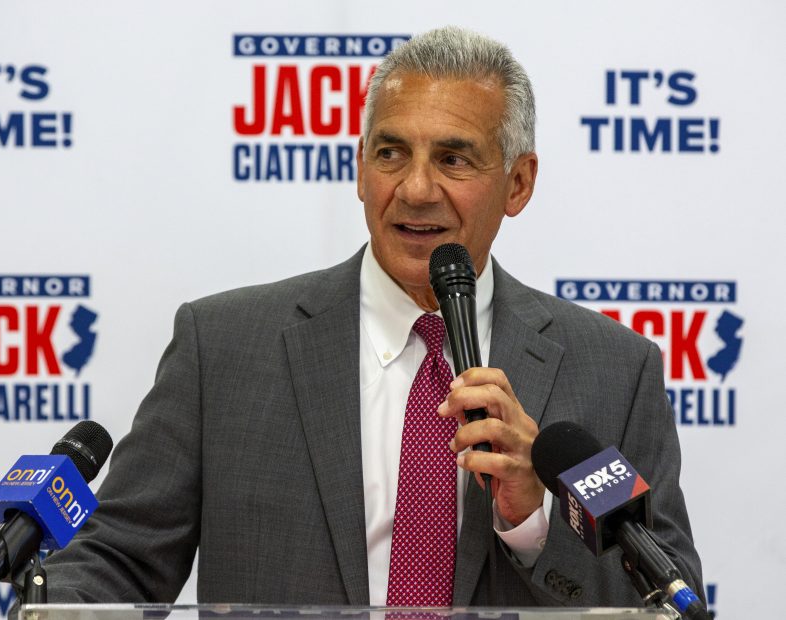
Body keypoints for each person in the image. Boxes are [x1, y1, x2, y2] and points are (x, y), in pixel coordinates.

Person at [36, 26, 703, 608]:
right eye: (390, 154)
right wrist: (52, 604)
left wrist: (534, 518)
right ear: (361, 170)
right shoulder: (223, 349)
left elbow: (668, 599)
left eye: (453, 159)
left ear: (519, 182)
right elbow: (119, 558)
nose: (414, 188)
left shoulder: (616, 372)